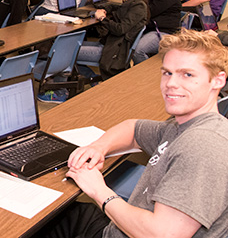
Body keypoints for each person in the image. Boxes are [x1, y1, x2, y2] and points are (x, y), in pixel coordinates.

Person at [33, 29, 228, 238]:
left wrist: (99, 191)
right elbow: (134, 128)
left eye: (187, 74)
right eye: (167, 73)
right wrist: (98, 147)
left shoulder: (204, 146)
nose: (171, 83)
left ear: (218, 80)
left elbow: (162, 235)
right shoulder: (183, 126)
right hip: (121, 227)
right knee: (54, 217)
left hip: (137, 231)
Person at [77, 0, 148, 81]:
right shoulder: (131, 2)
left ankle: (62, 89)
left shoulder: (139, 6)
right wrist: (105, 9)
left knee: (68, 52)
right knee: (73, 45)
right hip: (110, 45)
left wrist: (102, 18)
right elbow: (117, 8)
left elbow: (120, 29)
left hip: (114, 52)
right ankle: (92, 78)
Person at [132, 0, 182, 64]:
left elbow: (148, 12)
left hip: (164, 32)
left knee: (138, 51)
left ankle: (146, 77)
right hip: (150, 28)